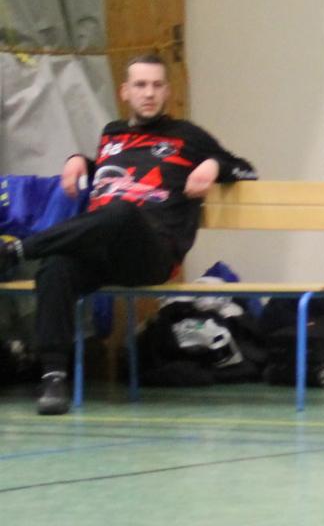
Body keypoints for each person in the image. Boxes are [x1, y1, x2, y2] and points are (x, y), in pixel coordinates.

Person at [0, 54, 254, 415]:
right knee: (56, 266)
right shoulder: (112, 134)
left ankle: (15, 252)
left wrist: (214, 165)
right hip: (103, 250)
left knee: (121, 212)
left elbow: (245, 170)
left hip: (152, 251)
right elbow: (112, 171)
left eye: (156, 85)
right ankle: (53, 377)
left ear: (166, 91)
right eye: (140, 85)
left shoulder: (188, 136)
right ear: (125, 92)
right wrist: (80, 161)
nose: (148, 93)